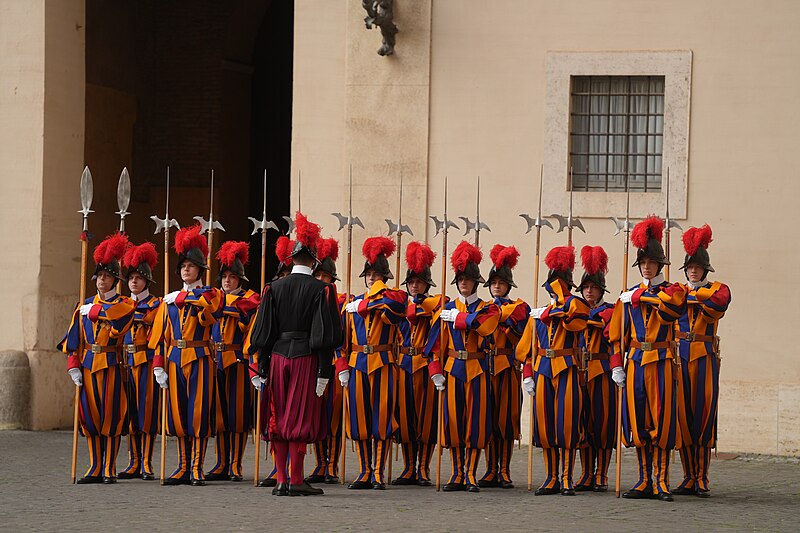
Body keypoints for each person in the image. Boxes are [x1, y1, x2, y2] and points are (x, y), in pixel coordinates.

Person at [248, 213, 343, 496]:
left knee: (277, 416)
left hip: (277, 357)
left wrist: (261, 367)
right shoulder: (323, 290)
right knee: (300, 417)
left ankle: (280, 480)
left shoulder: (272, 288)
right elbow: (326, 336)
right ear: (314, 262)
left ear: (291, 260)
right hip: (306, 358)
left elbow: (263, 332)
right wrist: (325, 372)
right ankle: (296, 479)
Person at [609, 215, 687, 501]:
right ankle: (644, 479)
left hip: (662, 361)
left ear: (660, 265)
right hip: (636, 363)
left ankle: (662, 480)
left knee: (662, 421)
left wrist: (643, 298)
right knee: (639, 421)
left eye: (651, 262)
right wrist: (617, 366)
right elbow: (615, 335)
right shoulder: (626, 296)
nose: (646, 266)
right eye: (643, 263)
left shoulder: (672, 290)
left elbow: (672, 309)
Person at [147, 225, 225, 486]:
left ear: (201, 270)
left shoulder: (210, 294)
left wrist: (188, 298)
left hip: (200, 355)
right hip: (175, 357)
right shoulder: (168, 301)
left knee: (198, 412)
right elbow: (159, 337)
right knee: (178, 413)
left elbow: (211, 312)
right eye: (183, 266)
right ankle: (182, 465)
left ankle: (196, 466)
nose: (186, 270)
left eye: (191, 266)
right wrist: (159, 365)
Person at [58, 232, 135, 484]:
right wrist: (73, 366)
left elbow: (121, 319)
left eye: (107, 276)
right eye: (100, 276)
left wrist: (97, 311)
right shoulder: (84, 304)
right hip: (88, 364)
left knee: (111, 416)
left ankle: (110, 467)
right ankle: (94, 465)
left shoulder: (123, 302)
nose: (102, 281)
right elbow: (73, 338)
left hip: (111, 364)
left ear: (115, 280)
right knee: (90, 417)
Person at [427, 241, 500, 493]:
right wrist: (435, 370)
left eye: (468, 279)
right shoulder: (444, 309)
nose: (463, 283)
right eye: (460, 279)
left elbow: (485, 327)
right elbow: (433, 344)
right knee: (453, 423)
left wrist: (458, 318)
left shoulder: (487, 308)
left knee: (475, 424)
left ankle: (470, 473)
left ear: (476, 282)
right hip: (452, 368)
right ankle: (457, 472)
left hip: (477, 367)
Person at [336, 236, 407, 490]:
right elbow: (340, 339)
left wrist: (366, 303)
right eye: (368, 274)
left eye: (376, 274)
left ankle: (378, 471)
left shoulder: (391, 296)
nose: (371, 278)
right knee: (359, 420)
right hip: (357, 363)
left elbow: (398, 305)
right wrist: (341, 365)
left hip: (383, 362)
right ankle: (365, 470)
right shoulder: (350, 304)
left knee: (382, 417)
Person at [518, 245, 589, 496]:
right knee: (546, 427)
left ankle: (567, 477)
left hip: (567, 368)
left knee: (567, 424)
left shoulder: (573, 306)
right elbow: (526, 349)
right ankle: (551, 477)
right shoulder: (536, 316)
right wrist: (527, 374)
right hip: (543, 370)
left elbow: (577, 316)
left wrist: (555, 305)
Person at [673, 225, 731, 498]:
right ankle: (687, 477)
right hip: (681, 356)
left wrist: (693, 295)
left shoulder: (718, 289)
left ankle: (702, 477)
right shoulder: (678, 291)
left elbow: (720, 302)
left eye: (698, 268)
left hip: (705, 357)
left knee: (704, 416)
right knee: (683, 417)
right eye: (690, 268)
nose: (693, 272)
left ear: (705, 270)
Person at [206, 241, 260, 482]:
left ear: (240, 279)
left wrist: (223, 308)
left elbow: (249, 314)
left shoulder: (250, 298)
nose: (227, 281)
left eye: (232, 277)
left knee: (237, 415)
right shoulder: (214, 296)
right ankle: (220, 462)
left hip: (237, 359)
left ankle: (236, 463)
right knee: (218, 414)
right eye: (225, 276)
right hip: (214, 357)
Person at [478, 244, 530, 489]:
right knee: (488, 419)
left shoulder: (519, 306)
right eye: (493, 283)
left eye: (501, 282)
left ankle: (505, 469)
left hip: (508, 366)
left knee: (506, 420)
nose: (497, 286)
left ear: (508, 285)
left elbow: (520, 324)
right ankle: (490, 469)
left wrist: (498, 316)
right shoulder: (483, 307)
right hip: (486, 366)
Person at [393, 241, 441, 486]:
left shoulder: (433, 304)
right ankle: (409, 466)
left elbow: (434, 308)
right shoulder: (401, 304)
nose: (414, 285)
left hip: (424, 364)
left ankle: (423, 467)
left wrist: (415, 307)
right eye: (411, 282)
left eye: (419, 282)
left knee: (426, 418)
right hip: (403, 364)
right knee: (405, 417)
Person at [251, 235, 295, 488]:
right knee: (275, 418)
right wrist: (259, 368)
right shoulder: (271, 297)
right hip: (275, 359)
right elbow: (258, 336)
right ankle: (279, 471)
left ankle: (291, 471)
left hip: (295, 358)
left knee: (295, 419)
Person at [118, 241, 162, 481]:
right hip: (125, 359)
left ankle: (146, 461)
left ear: (146, 280)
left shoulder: (155, 304)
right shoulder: (122, 303)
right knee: (129, 412)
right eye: (131, 278)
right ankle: (133, 461)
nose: (134, 281)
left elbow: (153, 322)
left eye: (138, 278)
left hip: (145, 360)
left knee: (146, 412)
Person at [306, 236, 347, 485]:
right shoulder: (309, 300)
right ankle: (320, 463)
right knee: (317, 416)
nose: (321, 280)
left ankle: (332, 464)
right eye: (317, 276)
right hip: (313, 364)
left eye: (325, 277)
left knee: (334, 416)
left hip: (334, 365)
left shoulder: (343, 303)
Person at [574, 246, 615, 492]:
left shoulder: (609, 310)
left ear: (601, 290)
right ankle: (586, 472)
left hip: (602, 370)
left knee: (603, 423)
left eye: (593, 287)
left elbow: (609, 325)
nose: (589, 291)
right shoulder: (575, 308)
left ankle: (602, 473)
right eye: (586, 287)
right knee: (583, 422)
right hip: (580, 370)